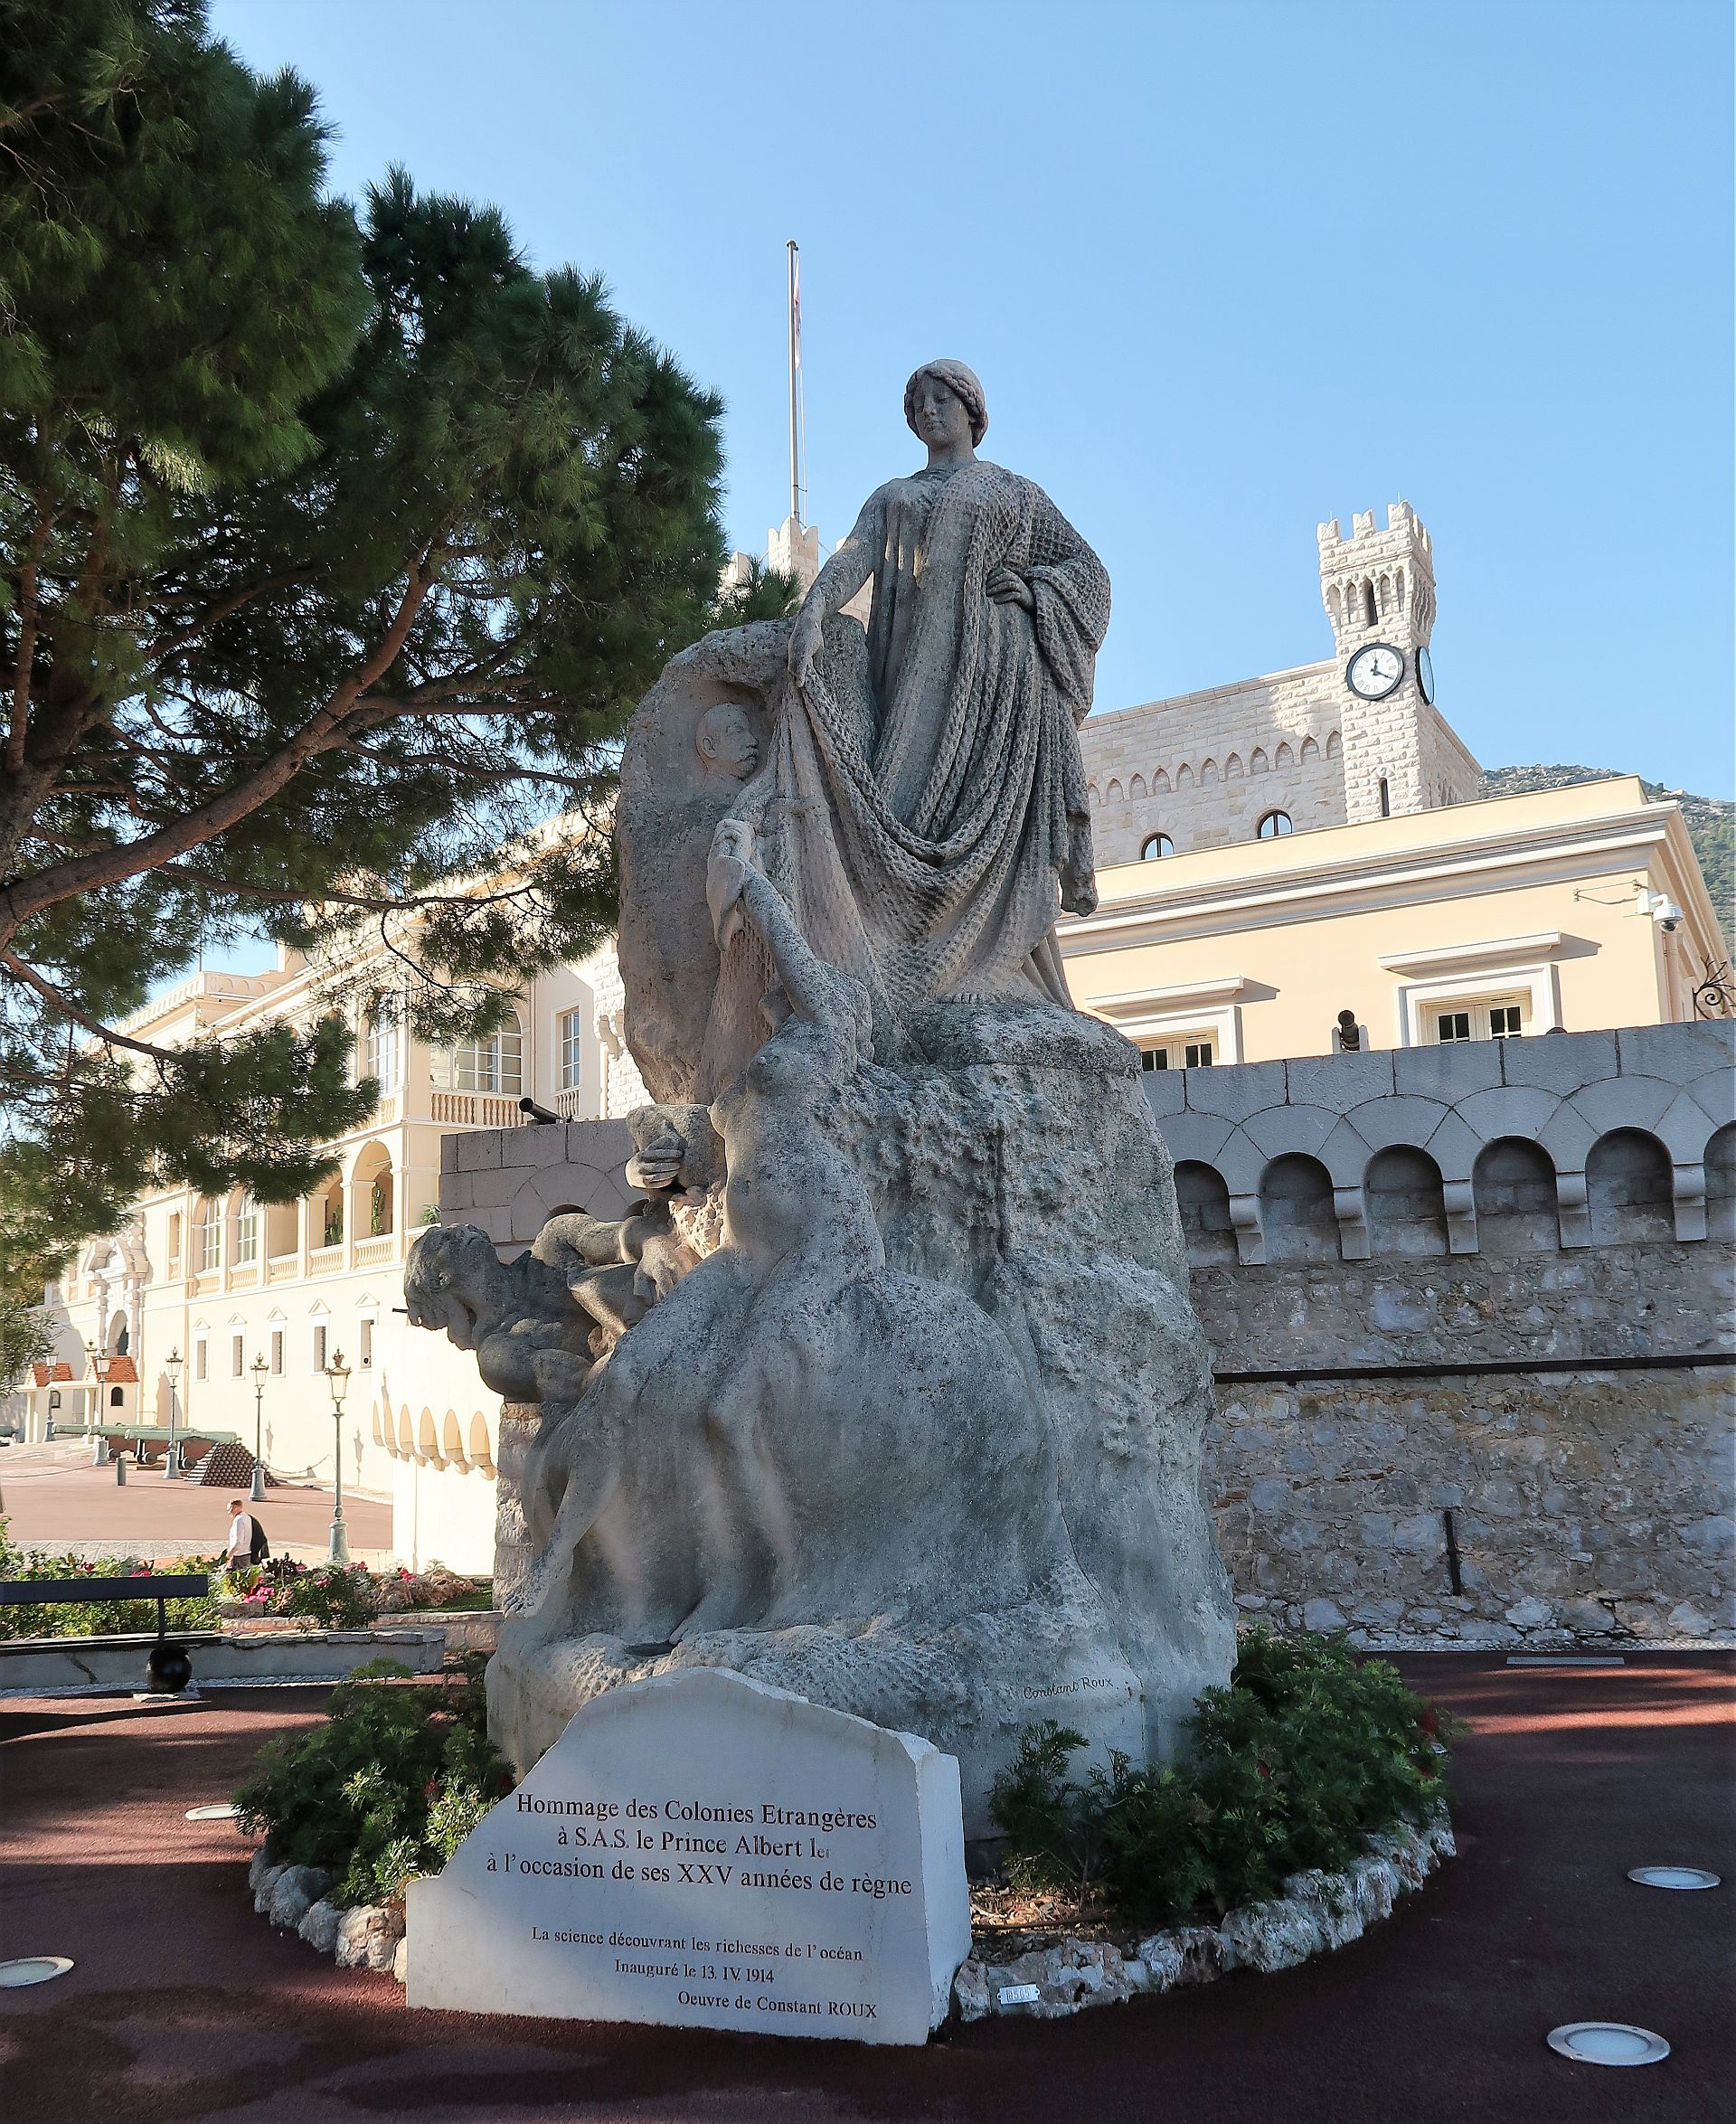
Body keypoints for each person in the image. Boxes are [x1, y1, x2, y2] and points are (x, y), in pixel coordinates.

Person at [223, 1498, 268, 1568]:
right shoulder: (247, 1517)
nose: (229, 1512)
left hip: (239, 1556)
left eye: (230, 1509)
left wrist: (228, 1556)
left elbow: (238, 1541)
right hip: (247, 1554)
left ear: (236, 1508)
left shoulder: (239, 1520)